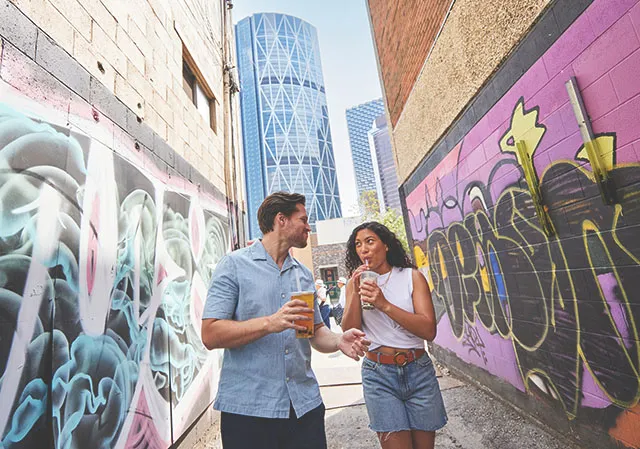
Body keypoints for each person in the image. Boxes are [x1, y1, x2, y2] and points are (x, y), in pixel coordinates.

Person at [201, 191, 370, 449]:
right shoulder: (233, 266)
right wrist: (270, 323)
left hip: (304, 408)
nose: (308, 226)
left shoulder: (303, 274)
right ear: (281, 220)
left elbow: (313, 332)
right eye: (302, 219)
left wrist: (338, 341)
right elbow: (210, 334)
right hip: (248, 412)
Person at [341, 221, 447, 449]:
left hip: (418, 370)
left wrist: (383, 304)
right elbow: (350, 331)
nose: (363, 249)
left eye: (370, 241)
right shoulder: (355, 284)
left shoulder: (412, 277)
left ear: (386, 245)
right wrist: (352, 291)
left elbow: (428, 330)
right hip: (379, 375)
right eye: (358, 244)